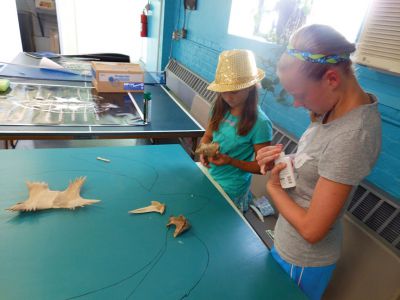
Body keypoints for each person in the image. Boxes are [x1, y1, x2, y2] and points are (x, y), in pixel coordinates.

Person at [256, 24, 382, 299]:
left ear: (332, 79)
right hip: (287, 241)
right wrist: (282, 160)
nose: (298, 105)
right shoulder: (332, 108)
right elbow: (318, 161)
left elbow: (313, 230)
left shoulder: (353, 136)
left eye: (300, 95)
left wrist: (274, 189)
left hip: (303, 259)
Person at [200, 49, 273, 212]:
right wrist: (204, 151)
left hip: (232, 188)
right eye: (223, 91)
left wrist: (230, 161)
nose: (227, 97)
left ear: (250, 88)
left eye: (233, 92)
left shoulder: (261, 123)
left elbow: (261, 167)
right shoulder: (219, 107)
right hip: (210, 175)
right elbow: (208, 135)